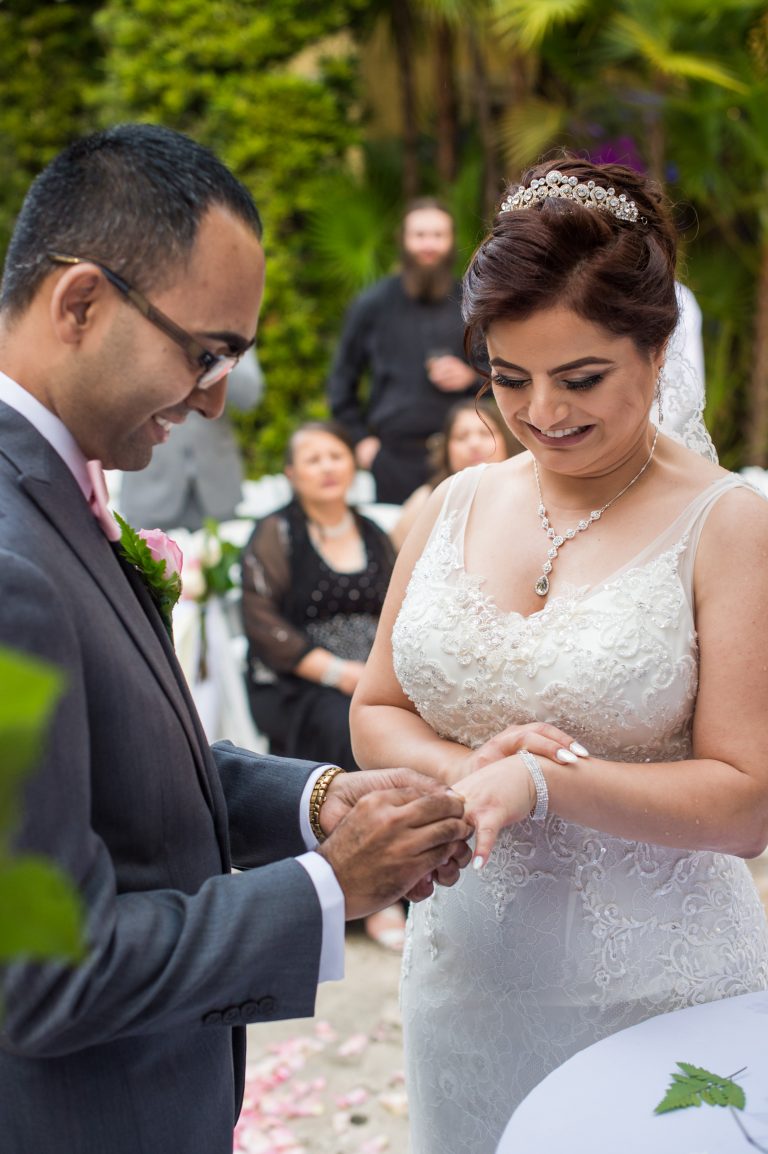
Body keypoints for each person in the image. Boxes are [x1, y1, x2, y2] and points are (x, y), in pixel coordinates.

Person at [0, 124, 472, 1154]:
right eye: (204, 351)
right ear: (78, 302)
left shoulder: (55, 494)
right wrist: (329, 886)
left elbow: (118, 765)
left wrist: (315, 800)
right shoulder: (8, 559)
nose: (215, 395)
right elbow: (41, 967)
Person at [351, 158, 768, 1153]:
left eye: (581, 378)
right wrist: (469, 772)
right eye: (508, 378)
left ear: (658, 348)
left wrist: (547, 782)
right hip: (463, 982)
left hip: (660, 998)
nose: (542, 413)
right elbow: (376, 710)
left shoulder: (727, 523)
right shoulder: (453, 505)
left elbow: (749, 801)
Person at [242, 419, 406, 950]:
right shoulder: (277, 533)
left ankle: (414, 873)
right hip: (304, 680)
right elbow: (263, 622)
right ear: (291, 473)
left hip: (377, 669)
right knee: (348, 728)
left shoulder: (373, 533)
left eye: (335, 455)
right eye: (312, 459)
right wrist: (339, 674)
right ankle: (369, 898)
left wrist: (380, 672)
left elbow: (400, 607)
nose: (327, 467)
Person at [327, 198, 479, 504]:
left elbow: (504, 373)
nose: (428, 245)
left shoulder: (473, 301)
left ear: (451, 241)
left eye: (438, 236)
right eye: (420, 235)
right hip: (393, 461)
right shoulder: (372, 304)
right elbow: (341, 381)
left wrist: (470, 379)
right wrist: (361, 442)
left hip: (464, 457)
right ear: (403, 240)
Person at [118, 347, 264, 530]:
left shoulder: (231, 324)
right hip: (149, 488)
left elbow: (250, 396)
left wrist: (216, 357)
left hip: (217, 489)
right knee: (139, 558)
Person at [390, 396, 520, 550]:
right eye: (461, 437)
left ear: (506, 439)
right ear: (447, 449)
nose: (474, 444)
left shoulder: (530, 491)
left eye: (486, 434)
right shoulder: (425, 500)